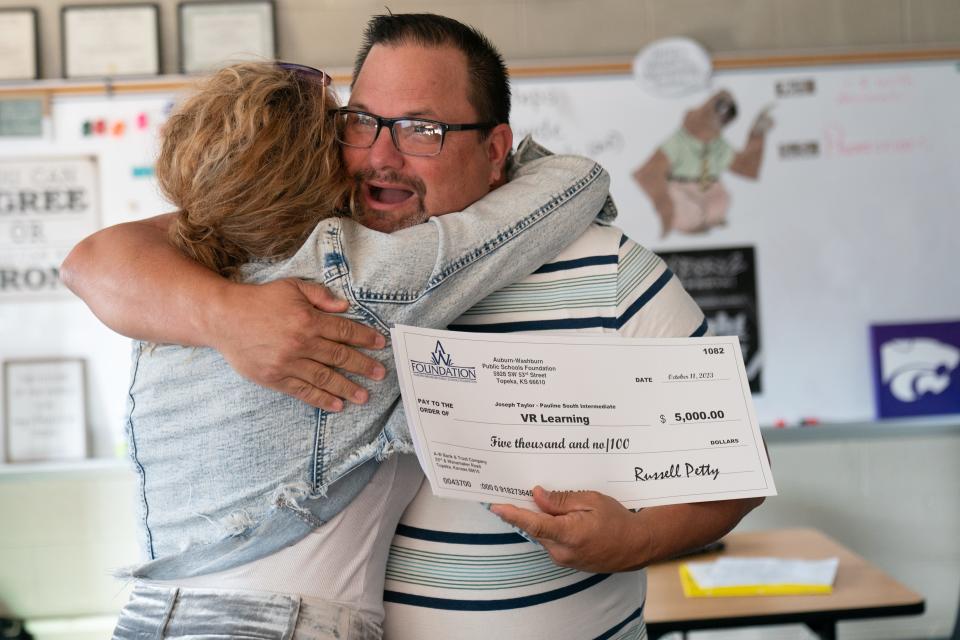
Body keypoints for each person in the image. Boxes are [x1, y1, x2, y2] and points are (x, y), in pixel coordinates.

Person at [62, 13, 763, 640]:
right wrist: (227, 316)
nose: (380, 155)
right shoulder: (281, 257)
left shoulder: (609, 270)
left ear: (496, 152)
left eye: (420, 129)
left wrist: (633, 539)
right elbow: (96, 259)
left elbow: (730, 475)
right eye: (360, 122)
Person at [633, 90, 774, 237]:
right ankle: (689, 223)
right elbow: (648, 173)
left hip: (710, 187)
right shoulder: (680, 140)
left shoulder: (718, 143)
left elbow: (745, 167)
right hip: (682, 187)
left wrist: (757, 134)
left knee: (720, 202)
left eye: (726, 115)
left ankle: (708, 221)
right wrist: (662, 203)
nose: (721, 117)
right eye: (719, 110)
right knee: (687, 209)